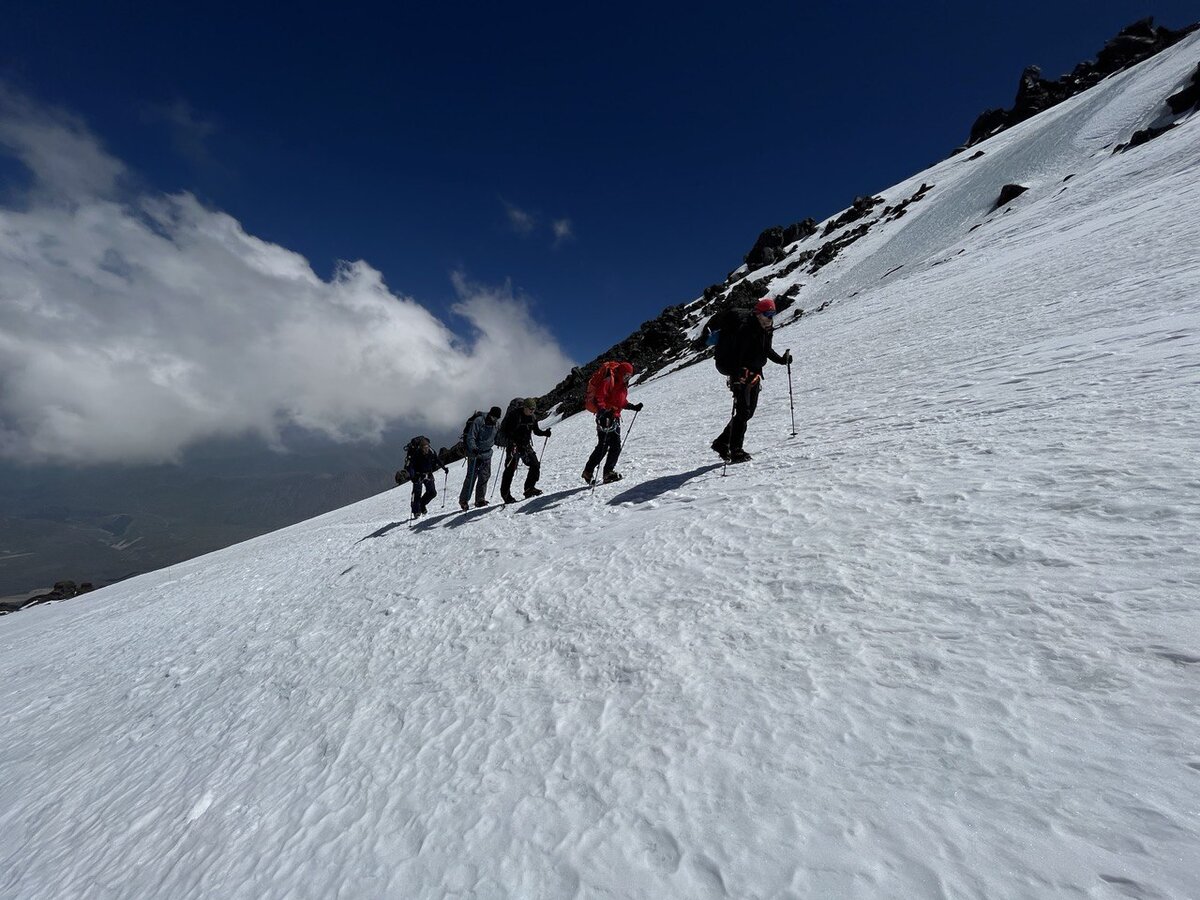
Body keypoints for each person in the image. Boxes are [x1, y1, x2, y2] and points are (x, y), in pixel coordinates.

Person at [697, 296, 792, 463]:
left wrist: (781, 360)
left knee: (748, 412)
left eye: (772, 314)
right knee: (743, 412)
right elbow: (736, 353)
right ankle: (736, 450)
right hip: (740, 374)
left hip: (754, 373)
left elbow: (766, 350)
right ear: (758, 313)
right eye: (767, 314)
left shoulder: (766, 329)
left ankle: (721, 442)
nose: (770, 318)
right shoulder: (745, 328)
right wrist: (735, 378)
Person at [581, 361, 644, 484]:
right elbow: (600, 397)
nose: (627, 378)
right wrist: (604, 413)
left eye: (629, 376)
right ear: (621, 372)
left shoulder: (622, 384)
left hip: (614, 417)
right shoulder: (609, 380)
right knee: (604, 446)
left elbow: (621, 401)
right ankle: (595, 471)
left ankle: (602, 472)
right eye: (626, 375)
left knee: (613, 446)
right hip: (605, 417)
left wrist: (633, 407)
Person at [498, 398, 551, 503]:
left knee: (535, 465)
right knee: (510, 470)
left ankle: (529, 489)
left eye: (533, 409)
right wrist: (513, 441)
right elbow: (506, 431)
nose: (532, 411)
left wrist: (545, 433)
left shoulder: (532, 417)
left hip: (525, 446)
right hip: (513, 446)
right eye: (530, 408)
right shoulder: (515, 416)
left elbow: (536, 431)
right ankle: (506, 494)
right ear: (524, 407)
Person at [459, 406, 502, 510]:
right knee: (471, 477)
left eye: (497, 418)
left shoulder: (496, 425)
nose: (495, 419)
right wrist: (473, 448)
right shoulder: (479, 421)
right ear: (490, 414)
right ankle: (464, 500)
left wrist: (506, 443)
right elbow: (471, 436)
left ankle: (480, 500)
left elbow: (496, 439)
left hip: (487, 454)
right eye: (494, 417)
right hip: (475, 454)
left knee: (484, 476)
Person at [404, 436, 448, 518]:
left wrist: (444, 467)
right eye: (424, 448)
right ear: (420, 447)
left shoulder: (431, 452)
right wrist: (413, 477)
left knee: (432, 492)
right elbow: (411, 467)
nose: (426, 449)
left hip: (428, 474)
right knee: (417, 493)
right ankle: (416, 512)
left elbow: (437, 459)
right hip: (418, 475)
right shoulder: (416, 454)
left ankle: (421, 504)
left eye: (427, 447)